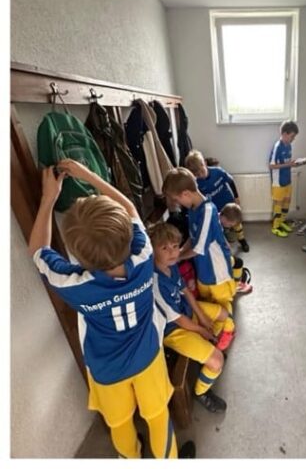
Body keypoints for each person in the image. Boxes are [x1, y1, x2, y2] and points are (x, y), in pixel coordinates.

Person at [30, 159, 190, 458]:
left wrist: (48, 199)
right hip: (147, 358)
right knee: (158, 418)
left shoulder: (72, 284)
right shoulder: (144, 258)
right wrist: (88, 175)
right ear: (128, 238)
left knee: (120, 425)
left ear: (77, 253)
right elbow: (129, 207)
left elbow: (38, 251)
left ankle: (129, 458)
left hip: (106, 370)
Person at [150, 221, 231, 413]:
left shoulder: (170, 265)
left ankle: (209, 346)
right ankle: (201, 392)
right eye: (164, 248)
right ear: (153, 250)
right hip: (174, 331)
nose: (172, 252)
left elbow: (185, 290)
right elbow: (177, 320)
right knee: (217, 361)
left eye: (175, 246)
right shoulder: (155, 281)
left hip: (186, 313)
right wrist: (203, 329)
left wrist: (202, 317)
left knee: (224, 314)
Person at [162, 168, 244, 314]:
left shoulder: (208, 211)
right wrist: (180, 251)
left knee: (223, 305)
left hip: (217, 272)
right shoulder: (192, 209)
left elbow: (199, 247)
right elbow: (193, 237)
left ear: (186, 194)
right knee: (209, 304)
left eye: (177, 199)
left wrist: (177, 257)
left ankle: (228, 329)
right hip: (203, 270)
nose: (177, 203)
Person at [183, 150, 247, 252]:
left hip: (228, 203)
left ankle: (242, 239)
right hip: (215, 208)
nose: (201, 175)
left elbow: (231, 181)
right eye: (197, 174)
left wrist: (236, 197)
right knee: (220, 226)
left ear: (204, 163)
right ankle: (225, 243)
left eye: (202, 171)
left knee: (236, 223)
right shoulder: (196, 183)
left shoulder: (218, 172)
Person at [269, 120, 301, 236]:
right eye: (292, 136)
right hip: (278, 182)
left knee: (286, 203)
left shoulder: (289, 146)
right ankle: (275, 227)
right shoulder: (277, 146)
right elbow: (271, 165)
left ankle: (281, 222)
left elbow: (287, 162)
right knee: (278, 205)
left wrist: (295, 163)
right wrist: (289, 164)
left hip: (288, 180)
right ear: (284, 134)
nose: (293, 139)